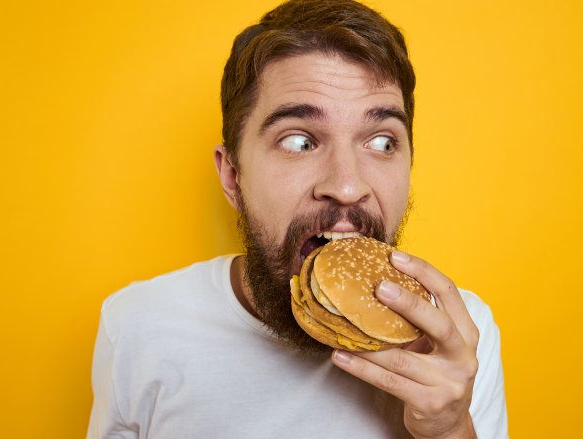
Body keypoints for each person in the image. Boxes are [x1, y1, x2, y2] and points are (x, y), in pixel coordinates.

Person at [86, 0, 508, 438]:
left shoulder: (460, 340)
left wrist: (449, 428)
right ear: (233, 176)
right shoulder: (139, 326)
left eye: (382, 142)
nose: (347, 186)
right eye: (300, 142)